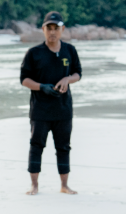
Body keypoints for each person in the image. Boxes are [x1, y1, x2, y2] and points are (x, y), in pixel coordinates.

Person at [19, 11, 82, 196]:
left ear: (63, 29)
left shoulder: (70, 51)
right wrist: (41, 87)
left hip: (63, 110)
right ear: (43, 29)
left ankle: (64, 185)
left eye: (56, 28)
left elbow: (78, 73)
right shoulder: (34, 53)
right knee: (36, 146)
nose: (52, 32)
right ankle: (34, 186)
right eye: (49, 28)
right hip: (40, 110)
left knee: (63, 147)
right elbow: (23, 79)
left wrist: (67, 79)